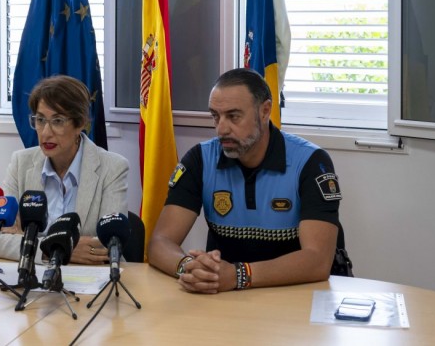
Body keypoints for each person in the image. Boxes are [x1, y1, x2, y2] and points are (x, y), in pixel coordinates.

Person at [148, 68, 347, 293]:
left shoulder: (309, 162)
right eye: (215, 116)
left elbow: (317, 261)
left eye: (233, 116)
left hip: (296, 296)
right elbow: (160, 242)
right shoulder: (200, 159)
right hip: (225, 298)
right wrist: (189, 268)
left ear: (265, 111)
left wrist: (239, 275)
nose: (221, 129)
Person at [0, 75, 128, 264]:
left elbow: (107, 245)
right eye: (40, 120)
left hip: (90, 276)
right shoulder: (21, 164)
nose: (46, 132)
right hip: (34, 273)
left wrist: (26, 241)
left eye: (57, 121)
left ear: (80, 123)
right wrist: (57, 249)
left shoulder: (113, 168)